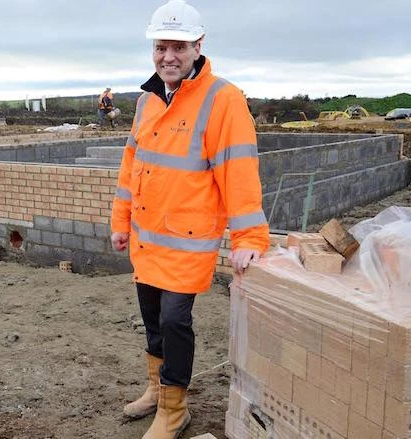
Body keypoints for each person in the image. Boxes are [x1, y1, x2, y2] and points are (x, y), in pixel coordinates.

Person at [109, 1, 270, 438]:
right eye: (161, 46)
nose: (168, 56)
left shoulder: (223, 100)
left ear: (198, 46)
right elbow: (131, 168)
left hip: (187, 243)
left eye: (179, 46)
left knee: (176, 321)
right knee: (151, 318)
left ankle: (175, 409)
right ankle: (157, 391)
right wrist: (120, 222)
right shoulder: (145, 101)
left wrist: (249, 236)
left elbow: (239, 173)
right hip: (147, 241)